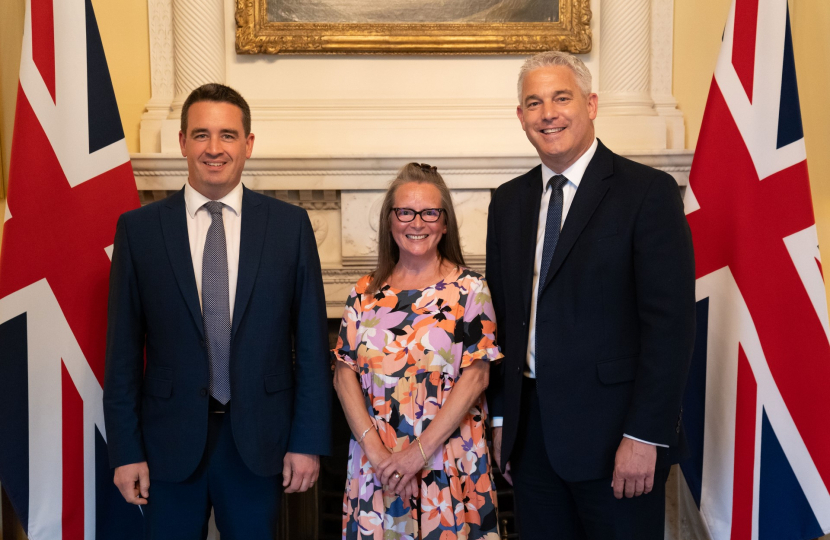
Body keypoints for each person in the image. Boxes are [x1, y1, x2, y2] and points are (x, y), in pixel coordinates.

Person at [103, 83, 331, 539]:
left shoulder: (289, 227)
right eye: (201, 134)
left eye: (227, 135)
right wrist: (125, 451)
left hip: (260, 441)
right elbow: (122, 353)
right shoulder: (140, 230)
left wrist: (307, 442)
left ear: (248, 144)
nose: (214, 148)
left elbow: (310, 345)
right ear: (183, 142)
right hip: (167, 444)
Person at [485, 51, 696, 539]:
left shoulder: (648, 193)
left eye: (562, 97)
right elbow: (502, 321)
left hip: (618, 440)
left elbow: (670, 328)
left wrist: (645, 436)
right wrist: (501, 419)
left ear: (591, 104)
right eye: (534, 103)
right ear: (521, 118)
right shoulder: (508, 202)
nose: (548, 113)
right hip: (531, 441)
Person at [332, 163, 502, 540]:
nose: (417, 223)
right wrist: (381, 458)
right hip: (375, 463)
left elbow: (476, 377)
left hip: (448, 463)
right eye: (405, 212)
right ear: (390, 221)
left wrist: (415, 457)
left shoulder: (471, 290)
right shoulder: (363, 293)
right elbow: (344, 374)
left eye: (430, 213)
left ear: (444, 224)